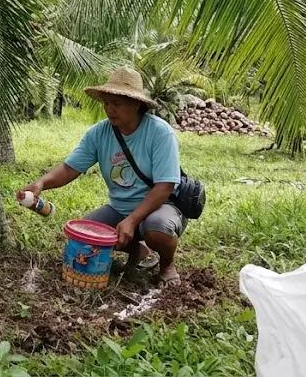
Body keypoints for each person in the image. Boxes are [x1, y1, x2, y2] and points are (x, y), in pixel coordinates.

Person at [17, 66, 186, 285]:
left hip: (161, 206)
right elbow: (70, 169)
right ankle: (139, 250)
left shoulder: (160, 133)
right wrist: (41, 183)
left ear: (136, 104)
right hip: (120, 208)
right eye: (106, 103)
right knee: (84, 236)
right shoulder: (99, 133)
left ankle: (166, 264)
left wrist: (132, 220)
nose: (109, 109)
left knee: (158, 229)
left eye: (117, 103)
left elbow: (165, 186)